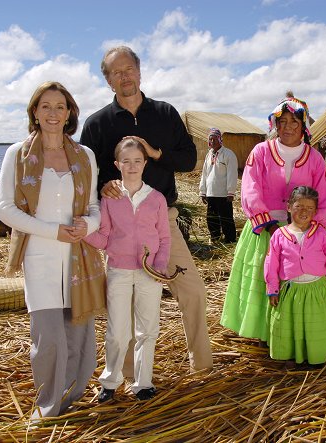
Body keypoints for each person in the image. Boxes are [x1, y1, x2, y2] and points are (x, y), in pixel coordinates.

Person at [80, 45, 213, 371]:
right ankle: (128, 375)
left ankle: (203, 367)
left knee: (193, 291)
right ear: (108, 81)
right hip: (121, 228)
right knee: (123, 304)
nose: (124, 76)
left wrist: (156, 153)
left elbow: (189, 159)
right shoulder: (97, 124)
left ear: (139, 71)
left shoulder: (165, 113)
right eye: (116, 72)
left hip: (163, 221)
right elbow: (85, 176)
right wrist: (101, 187)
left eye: (129, 69)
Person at [0, 81, 106, 419]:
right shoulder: (18, 154)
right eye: (46, 106)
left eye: (60, 106)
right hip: (40, 257)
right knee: (48, 339)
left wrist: (89, 225)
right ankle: (47, 407)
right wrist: (52, 231)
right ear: (34, 112)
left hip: (79, 258)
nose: (53, 113)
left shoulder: (85, 155)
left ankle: (69, 400)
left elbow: (93, 206)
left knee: (77, 335)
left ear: (70, 112)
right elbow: (4, 208)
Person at [221, 94, 326, 343]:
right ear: (274, 124)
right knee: (266, 279)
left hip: (302, 232)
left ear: (303, 126)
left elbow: (324, 195)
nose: (288, 127)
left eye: (295, 122)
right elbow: (250, 189)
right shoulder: (261, 152)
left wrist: (310, 229)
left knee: (297, 281)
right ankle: (263, 332)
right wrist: (271, 225)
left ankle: (291, 334)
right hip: (265, 230)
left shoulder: (314, 158)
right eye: (283, 121)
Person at [84, 137, 170, 403]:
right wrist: (82, 233)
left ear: (145, 163)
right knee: (117, 330)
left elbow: (164, 238)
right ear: (116, 164)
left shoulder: (156, 199)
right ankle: (110, 381)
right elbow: (105, 237)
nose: (132, 166)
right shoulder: (110, 199)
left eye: (137, 161)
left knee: (148, 329)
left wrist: (159, 266)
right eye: (126, 162)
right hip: (119, 270)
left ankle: (143, 383)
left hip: (149, 273)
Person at [264, 186, 326, 366]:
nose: (304, 212)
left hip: (316, 290)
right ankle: (290, 356)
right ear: (289, 207)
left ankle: (315, 357)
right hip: (290, 291)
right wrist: (272, 289)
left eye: (309, 208)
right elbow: (271, 263)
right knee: (291, 324)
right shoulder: (279, 235)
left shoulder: (322, 234)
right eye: (299, 206)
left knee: (314, 324)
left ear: (315, 211)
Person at [199, 128, 238, 243]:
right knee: (211, 219)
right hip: (211, 193)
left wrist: (231, 191)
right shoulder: (208, 155)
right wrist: (202, 191)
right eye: (210, 139)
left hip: (223, 194)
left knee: (226, 218)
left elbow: (232, 174)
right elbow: (204, 174)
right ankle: (215, 238)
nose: (213, 141)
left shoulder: (228, 154)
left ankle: (230, 239)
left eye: (215, 139)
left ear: (220, 139)